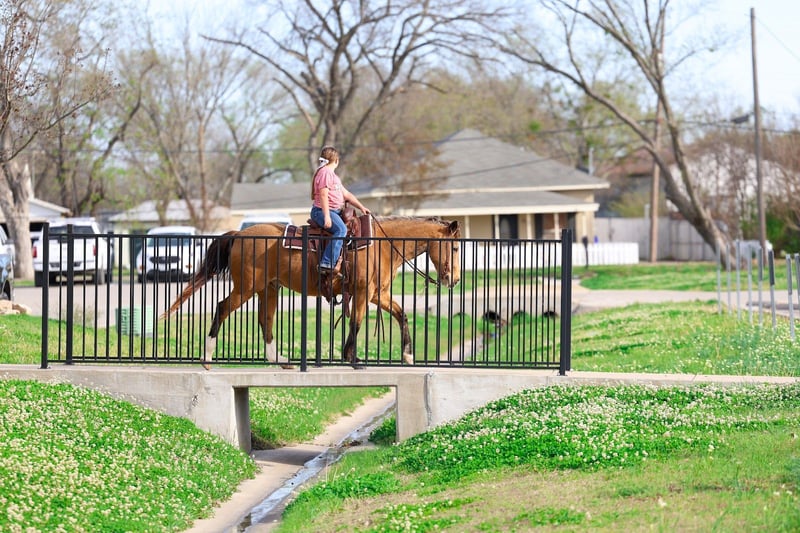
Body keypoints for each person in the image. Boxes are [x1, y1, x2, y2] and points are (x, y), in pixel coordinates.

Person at [310, 145, 370, 272]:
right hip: (321, 211)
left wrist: (361, 207)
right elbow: (323, 195)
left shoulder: (333, 176)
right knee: (341, 230)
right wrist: (327, 216)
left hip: (334, 212)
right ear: (336, 160)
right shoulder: (325, 173)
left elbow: (346, 194)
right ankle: (327, 262)